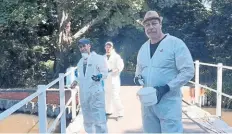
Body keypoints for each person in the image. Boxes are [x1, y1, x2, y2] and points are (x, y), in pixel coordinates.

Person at [134, 10, 195, 133]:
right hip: (148, 104)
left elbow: (188, 71)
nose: (151, 27)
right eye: (147, 25)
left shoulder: (175, 44)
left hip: (169, 103)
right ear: (144, 27)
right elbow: (139, 70)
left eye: (154, 23)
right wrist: (137, 78)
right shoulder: (143, 48)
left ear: (160, 24)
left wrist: (166, 88)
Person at [70, 38, 108, 133]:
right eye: (80, 47)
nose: (82, 48)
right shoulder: (80, 62)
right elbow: (81, 77)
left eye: (84, 46)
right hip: (84, 94)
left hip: (96, 93)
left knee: (99, 120)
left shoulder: (98, 58)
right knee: (87, 120)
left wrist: (99, 76)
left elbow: (105, 73)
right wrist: (76, 81)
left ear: (89, 46)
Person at [104, 41, 124, 120]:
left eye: (109, 46)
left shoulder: (117, 57)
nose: (108, 48)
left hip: (114, 79)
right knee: (107, 96)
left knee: (115, 96)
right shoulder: (103, 57)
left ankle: (120, 113)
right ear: (105, 47)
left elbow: (120, 66)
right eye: (107, 46)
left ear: (112, 48)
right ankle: (108, 111)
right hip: (106, 79)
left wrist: (115, 70)